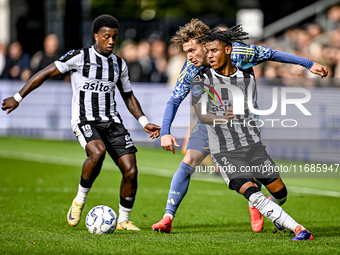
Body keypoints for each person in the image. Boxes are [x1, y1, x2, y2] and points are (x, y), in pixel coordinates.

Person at [152, 19, 328, 233]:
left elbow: (272, 54)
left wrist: (309, 64)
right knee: (189, 159)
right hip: (210, 122)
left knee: (262, 177)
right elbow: (174, 100)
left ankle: (258, 202)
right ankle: (168, 217)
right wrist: (166, 132)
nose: (189, 56)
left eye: (192, 50)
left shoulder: (238, 54)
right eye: (186, 51)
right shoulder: (191, 68)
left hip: (244, 123)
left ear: (206, 44)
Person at [1, 15, 161, 231]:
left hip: (112, 122)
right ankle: (79, 200)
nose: (111, 41)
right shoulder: (79, 57)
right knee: (97, 152)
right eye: (107, 37)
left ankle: (123, 220)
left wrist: (144, 122)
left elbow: (128, 96)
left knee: (131, 170)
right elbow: (44, 73)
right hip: (85, 119)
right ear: (96, 36)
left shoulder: (119, 64)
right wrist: (18, 97)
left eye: (114, 37)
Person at [191, 27, 313, 241]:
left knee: (281, 194)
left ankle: (276, 214)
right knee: (252, 193)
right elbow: (202, 114)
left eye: (215, 50)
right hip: (225, 151)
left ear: (228, 50)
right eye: (207, 51)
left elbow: (271, 54)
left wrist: (309, 64)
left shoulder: (246, 71)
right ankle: (299, 229)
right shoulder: (201, 77)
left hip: (253, 146)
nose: (210, 55)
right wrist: (220, 118)